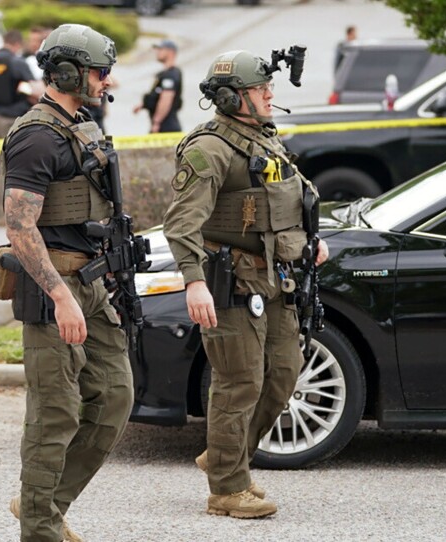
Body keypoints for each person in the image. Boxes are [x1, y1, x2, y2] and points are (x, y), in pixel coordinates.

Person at [163, 50, 329, 520]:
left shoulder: (263, 140)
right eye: (261, 90)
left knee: (283, 374)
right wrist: (194, 283)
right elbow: (181, 224)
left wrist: (309, 242)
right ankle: (227, 487)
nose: (270, 95)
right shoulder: (209, 149)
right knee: (239, 383)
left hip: (276, 277)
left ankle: (223, 456)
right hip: (231, 281)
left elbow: (287, 202)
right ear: (233, 97)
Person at [2, 23, 133, 541]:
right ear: (68, 72)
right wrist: (60, 295)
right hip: (53, 287)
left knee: (116, 398)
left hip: (93, 284)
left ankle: (44, 505)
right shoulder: (37, 136)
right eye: (100, 71)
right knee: (54, 414)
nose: (106, 81)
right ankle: (39, 528)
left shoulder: (81, 125)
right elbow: (18, 225)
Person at [0, 29, 38, 225]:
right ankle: (14, 215)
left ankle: (1, 216)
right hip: (13, 119)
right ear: (17, 44)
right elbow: (32, 88)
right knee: (16, 167)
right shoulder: (17, 62)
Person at [134, 39, 182, 133]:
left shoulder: (171, 75)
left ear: (170, 52)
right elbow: (157, 95)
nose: (157, 52)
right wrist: (143, 105)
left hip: (167, 127)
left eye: (161, 49)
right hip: (163, 125)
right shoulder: (165, 74)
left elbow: (166, 99)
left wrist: (157, 122)